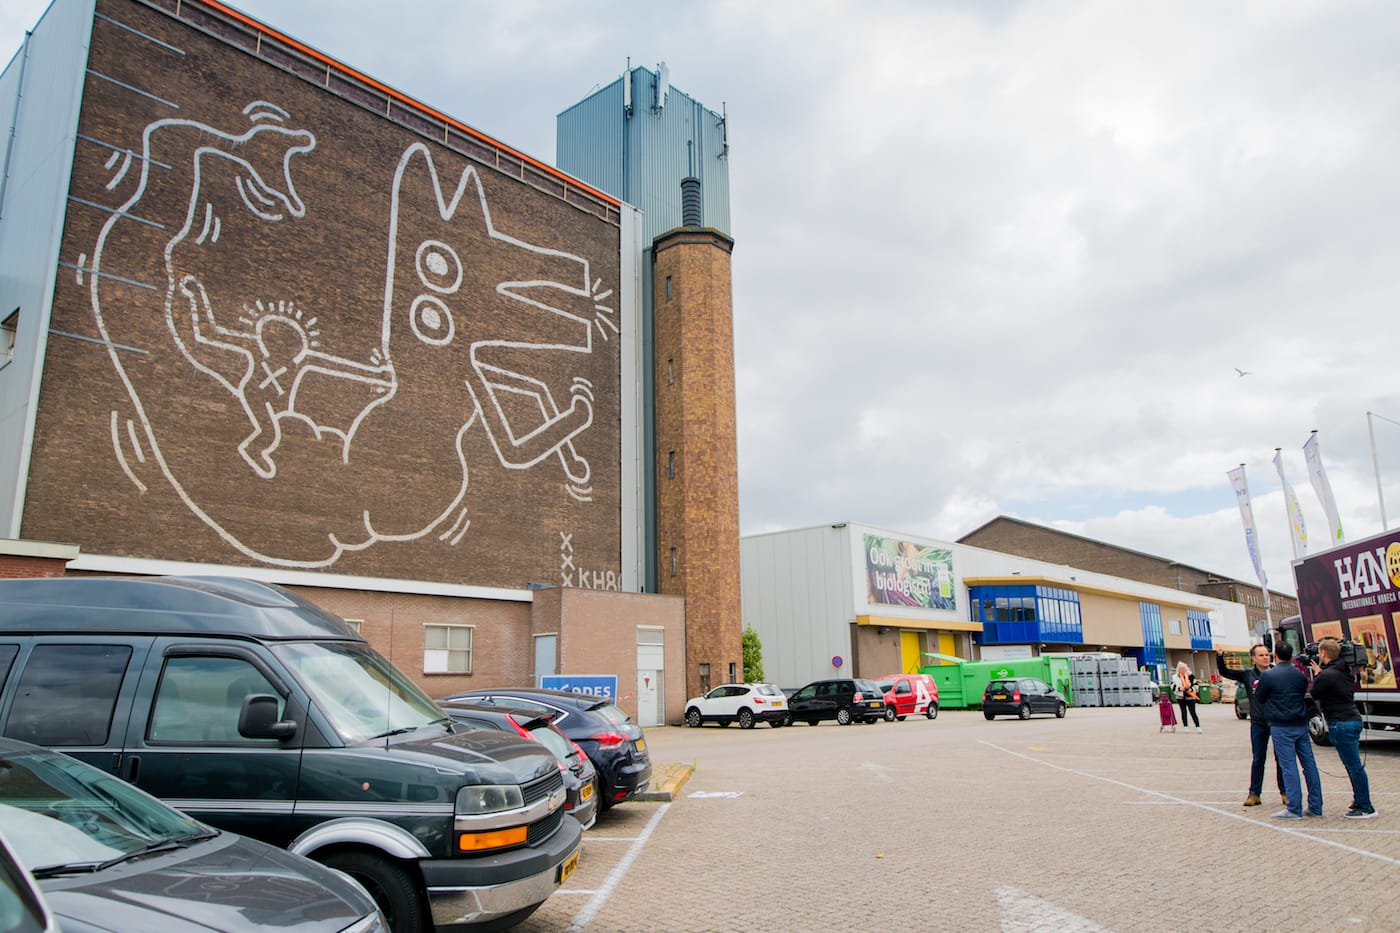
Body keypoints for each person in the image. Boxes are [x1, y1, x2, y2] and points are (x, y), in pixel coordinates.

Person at [1308, 638, 1376, 819]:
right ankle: (1359, 800)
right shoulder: (1344, 671)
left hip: (1341, 723)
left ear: (1323, 653)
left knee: (1354, 766)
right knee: (1353, 765)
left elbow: (1315, 693)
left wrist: (1318, 674)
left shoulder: (1327, 675)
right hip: (1351, 719)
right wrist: (1322, 673)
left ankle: (1366, 806)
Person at [1253, 641, 1322, 819]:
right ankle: (1315, 805)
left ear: (1275, 655)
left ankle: (1294, 807)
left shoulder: (1268, 675)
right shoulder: (1299, 674)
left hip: (1280, 724)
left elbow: (1259, 698)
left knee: (1288, 766)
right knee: (1309, 765)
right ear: (1291, 656)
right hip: (1299, 722)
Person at [1216, 645, 1286, 807]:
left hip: (1276, 721)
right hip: (1258, 722)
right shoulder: (1248, 674)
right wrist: (1220, 656)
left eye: (1267, 654)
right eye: (1261, 655)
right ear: (1253, 658)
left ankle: (1285, 792)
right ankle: (1254, 793)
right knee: (1258, 758)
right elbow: (1225, 672)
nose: (1265, 657)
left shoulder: (1276, 672)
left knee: (1281, 758)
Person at [1172, 662, 1201, 732]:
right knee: (1183, 712)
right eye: (1180, 668)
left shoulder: (1191, 676)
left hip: (1190, 696)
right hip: (1180, 697)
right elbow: (1172, 686)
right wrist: (1179, 689)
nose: (1182, 670)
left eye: (1183, 668)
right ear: (1178, 670)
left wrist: (1191, 689)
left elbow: (1196, 685)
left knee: (1193, 712)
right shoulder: (1175, 677)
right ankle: (1185, 726)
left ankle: (1198, 726)